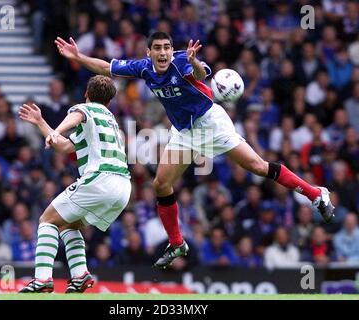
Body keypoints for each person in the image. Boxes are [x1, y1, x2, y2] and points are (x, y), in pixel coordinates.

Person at [55, 31, 335, 269]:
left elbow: (200, 72)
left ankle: (315, 193)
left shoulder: (181, 62)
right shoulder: (143, 68)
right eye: (158, 49)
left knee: (258, 167)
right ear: (149, 52)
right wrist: (78, 57)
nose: (163, 52)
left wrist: (193, 61)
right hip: (185, 132)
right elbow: (106, 68)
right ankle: (177, 243)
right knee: (161, 183)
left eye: (167, 47)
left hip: (210, 123)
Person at [18, 75, 131, 293]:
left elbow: (77, 116)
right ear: (110, 101)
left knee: (47, 220)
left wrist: (55, 131)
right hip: (123, 187)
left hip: (100, 179)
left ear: (87, 94)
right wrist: (42, 123)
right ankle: (80, 275)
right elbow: (66, 148)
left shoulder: (87, 109)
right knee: (68, 225)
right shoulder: (111, 121)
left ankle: (42, 280)